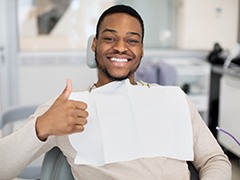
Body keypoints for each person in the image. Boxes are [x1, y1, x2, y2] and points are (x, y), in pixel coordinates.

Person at [0, 4, 231, 180]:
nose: (121, 47)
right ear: (94, 45)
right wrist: (42, 127)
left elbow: (215, 159)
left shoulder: (173, 100)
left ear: (141, 50)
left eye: (132, 40)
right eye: (110, 38)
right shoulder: (69, 106)